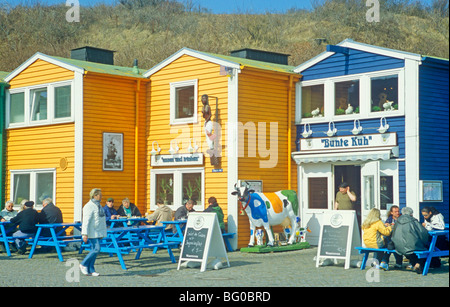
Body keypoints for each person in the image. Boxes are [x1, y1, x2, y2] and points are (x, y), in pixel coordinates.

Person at [391, 207, 430, 274]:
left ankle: (413, 264)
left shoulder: (397, 221)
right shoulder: (413, 221)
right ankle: (417, 264)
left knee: (411, 249)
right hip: (412, 246)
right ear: (411, 214)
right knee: (424, 248)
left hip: (398, 247)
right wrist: (425, 240)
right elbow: (423, 232)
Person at [80, 188, 107, 277]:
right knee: (96, 249)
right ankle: (83, 264)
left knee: (94, 250)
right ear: (94, 195)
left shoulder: (99, 206)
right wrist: (84, 233)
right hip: (91, 232)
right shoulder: (89, 206)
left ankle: (91, 269)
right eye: (99, 194)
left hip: (98, 232)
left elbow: (101, 220)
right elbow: (86, 221)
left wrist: (102, 233)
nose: (101, 196)